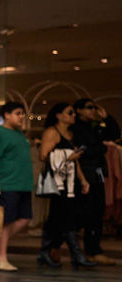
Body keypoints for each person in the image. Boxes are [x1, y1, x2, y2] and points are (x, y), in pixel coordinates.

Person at [38, 102, 96, 269]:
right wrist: (67, 157)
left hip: (71, 181)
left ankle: (46, 251)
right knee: (65, 216)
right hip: (58, 182)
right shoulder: (52, 132)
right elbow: (44, 156)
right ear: (59, 115)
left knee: (60, 218)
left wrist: (83, 179)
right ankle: (75, 253)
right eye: (70, 112)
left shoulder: (71, 134)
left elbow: (74, 160)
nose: (73, 115)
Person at [0, 102, 34, 272]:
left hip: (23, 184)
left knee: (25, 218)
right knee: (6, 222)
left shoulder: (20, 135)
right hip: (7, 184)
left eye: (22, 114)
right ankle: (1, 258)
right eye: (18, 113)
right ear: (7, 115)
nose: (21, 117)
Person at [71, 98, 120, 266]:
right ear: (79, 110)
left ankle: (93, 250)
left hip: (97, 172)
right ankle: (68, 246)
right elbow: (84, 149)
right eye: (89, 108)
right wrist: (102, 148)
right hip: (84, 173)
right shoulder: (75, 128)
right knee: (83, 212)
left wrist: (106, 118)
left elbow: (114, 135)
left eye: (94, 108)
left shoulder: (95, 127)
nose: (93, 111)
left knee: (96, 211)